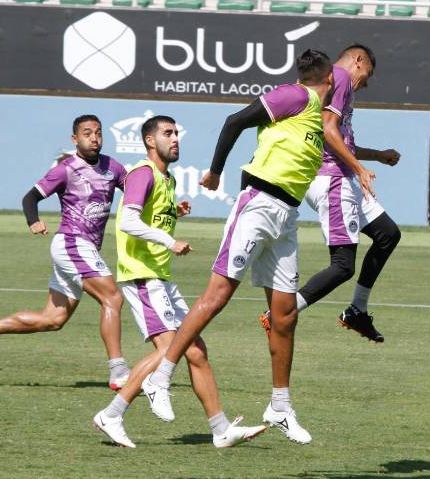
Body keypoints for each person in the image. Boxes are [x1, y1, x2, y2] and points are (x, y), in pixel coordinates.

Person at [140, 49, 334, 445]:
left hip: (286, 218)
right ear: (328, 79)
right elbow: (236, 121)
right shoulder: (297, 96)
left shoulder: (313, 114)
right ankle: (160, 377)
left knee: (284, 315)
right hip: (258, 205)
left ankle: (280, 406)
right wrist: (215, 170)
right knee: (217, 296)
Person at [92, 115, 265, 448]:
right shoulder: (142, 173)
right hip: (143, 275)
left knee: (195, 349)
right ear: (148, 141)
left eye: (176, 134)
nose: (175, 140)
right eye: (167, 134)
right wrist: (169, 241)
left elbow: (150, 215)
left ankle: (221, 429)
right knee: (171, 348)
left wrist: (175, 212)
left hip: (160, 277)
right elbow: (128, 221)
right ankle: (112, 414)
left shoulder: (164, 179)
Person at [0, 115, 131, 390]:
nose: (94, 138)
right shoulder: (65, 169)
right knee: (112, 297)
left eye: (98, 133)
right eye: (87, 133)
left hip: (81, 249)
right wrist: (33, 220)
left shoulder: (113, 167)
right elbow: (30, 197)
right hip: (72, 243)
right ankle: (118, 370)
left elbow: (137, 195)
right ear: (75, 139)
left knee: (53, 319)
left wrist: (171, 210)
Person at [259, 44, 402, 343]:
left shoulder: (335, 82)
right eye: (368, 74)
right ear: (358, 61)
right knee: (343, 266)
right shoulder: (339, 77)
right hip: (333, 180)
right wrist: (361, 169)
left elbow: (339, 140)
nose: (367, 82)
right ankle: (282, 313)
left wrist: (376, 155)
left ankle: (357, 311)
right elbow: (327, 130)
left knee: (388, 233)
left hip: (342, 176)